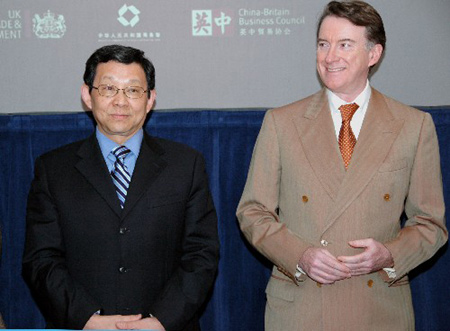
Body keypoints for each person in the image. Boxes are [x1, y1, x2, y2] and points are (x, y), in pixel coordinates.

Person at [236, 1, 447, 330]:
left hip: (378, 308)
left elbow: (430, 225)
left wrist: (389, 255)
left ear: (373, 54)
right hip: (302, 308)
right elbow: (252, 212)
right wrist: (301, 256)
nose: (329, 56)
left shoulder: (413, 126)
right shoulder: (281, 123)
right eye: (323, 44)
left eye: (344, 45)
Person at [23, 44, 219, 330]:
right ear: (87, 96)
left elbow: (202, 254)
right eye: (108, 88)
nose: (120, 101)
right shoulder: (53, 169)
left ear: (150, 99)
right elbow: (41, 259)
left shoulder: (185, 165)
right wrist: (87, 319)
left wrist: (161, 320)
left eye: (133, 90)